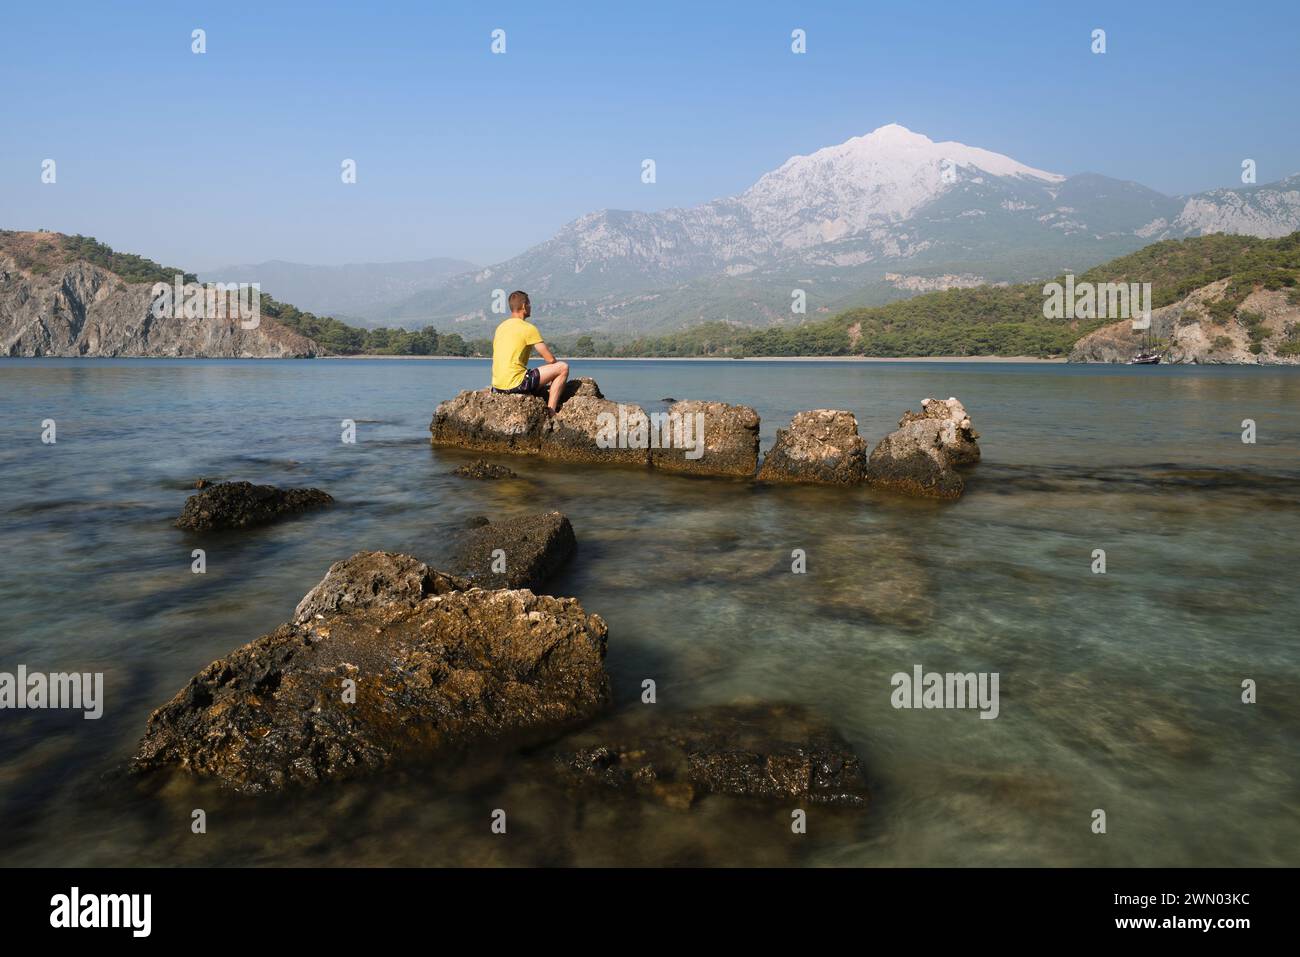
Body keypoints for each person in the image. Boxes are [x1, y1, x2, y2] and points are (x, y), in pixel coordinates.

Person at [490, 290, 569, 414]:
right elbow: (550, 360)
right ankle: (551, 411)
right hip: (516, 385)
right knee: (563, 367)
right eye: (529, 304)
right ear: (523, 306)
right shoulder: (528, 328)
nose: (530, 307)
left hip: (497, 387)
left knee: (527, 372)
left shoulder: (501, 327)